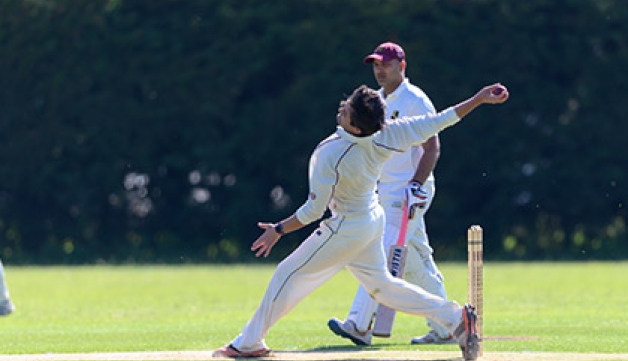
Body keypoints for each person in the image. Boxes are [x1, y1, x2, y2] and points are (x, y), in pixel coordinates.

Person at [212, 82, 509, 361]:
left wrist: (278, 230)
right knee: (383, 289)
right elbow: (439, 120)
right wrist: (479, 99)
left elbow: (314, 212)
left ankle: (248, 344)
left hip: (346, 228)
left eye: (348, 109)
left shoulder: (329, 153)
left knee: (286, 273)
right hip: (371, 221)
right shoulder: (387, 133)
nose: (342, 107)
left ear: (355, 126)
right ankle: (456, 317)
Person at [327, 42, 455, 346]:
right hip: (385, 189)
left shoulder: (415, 100)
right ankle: (447, 326)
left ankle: (359, 323)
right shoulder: (377, 102)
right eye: (375, 65)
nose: (380, 70)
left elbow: (432, 146)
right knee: (416, 263)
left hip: (410, 190)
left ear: (402, 66)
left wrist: (416, 185)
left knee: (380, 253)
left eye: (385, 64)